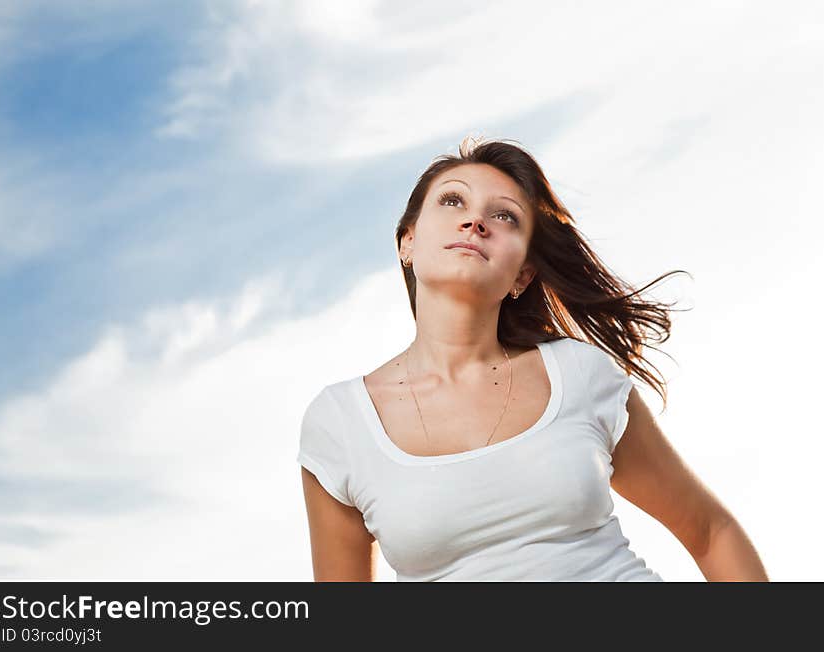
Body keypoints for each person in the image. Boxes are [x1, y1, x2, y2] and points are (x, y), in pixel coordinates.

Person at [297, 136, 769, 582]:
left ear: (522, 275)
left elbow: (710, 532)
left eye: (504, 217)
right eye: (452, 201)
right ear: (408, 242)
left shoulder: (579, 374)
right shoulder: (340, 423)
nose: (474, 221)